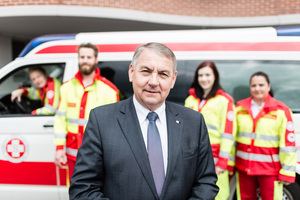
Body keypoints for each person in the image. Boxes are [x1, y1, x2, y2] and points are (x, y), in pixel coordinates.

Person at [69, 42, 219, 200]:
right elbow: (83, 188)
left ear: (173, 79)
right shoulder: (101, 121)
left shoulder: (194, 122)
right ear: (131, 72)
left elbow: (206, 182)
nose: (154, 82)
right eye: (146, 71)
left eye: (163, 74)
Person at [53, 43, 119, 186]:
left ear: (96, 60)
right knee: (74, 189)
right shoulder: (66, 88)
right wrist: (59, 149)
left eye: (89, 57)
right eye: (82, 57)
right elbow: (60, 120)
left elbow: (114, 128)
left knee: (96, 190)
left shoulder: (109, 91)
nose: (85, 60)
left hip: (98, 155)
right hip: (72, 155)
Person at [235, 71, 297, 200]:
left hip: (269, 170)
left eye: (261, 85)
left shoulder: (281, 111)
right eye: (254, 85)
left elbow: (288, 145)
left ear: (268, 87)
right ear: (250, 88)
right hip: (244, 168)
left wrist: (287, 172)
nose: (257, 89)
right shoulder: (239, 109)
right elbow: (231, 139)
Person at [184, 61, 236, 200]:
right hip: (192, 157)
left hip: (215, 158)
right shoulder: (190, 100)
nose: (204, 79)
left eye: (208, 75)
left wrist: (223, 161)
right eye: (200, 75)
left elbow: (228, 133)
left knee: (219, 195)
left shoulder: (224, 101)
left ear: (215, 77)